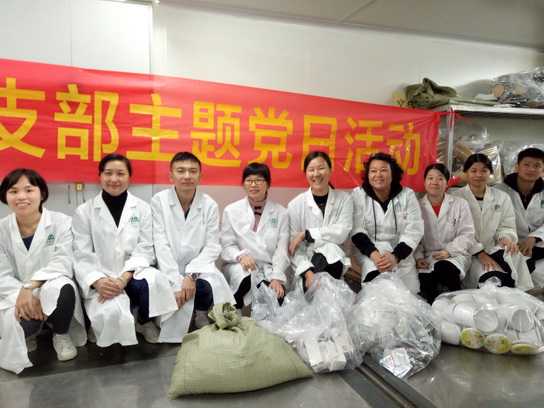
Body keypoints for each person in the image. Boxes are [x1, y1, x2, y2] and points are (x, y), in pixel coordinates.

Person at [72, 154, 177, 347]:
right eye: (108, 173)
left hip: (132, 272)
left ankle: (143, 321)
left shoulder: (143, 209)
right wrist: (98, 281)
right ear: (100, 176)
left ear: (129, 177)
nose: (114, 179)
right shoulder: (84, 212)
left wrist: (123, 278)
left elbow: (145, 248)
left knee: (154, 281)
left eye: (120, 173)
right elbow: (81, 254)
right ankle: (99, 323)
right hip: (102, 275)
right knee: (108, 315)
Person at [0, 169, 85, 374]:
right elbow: (1, 273)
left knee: (64, 286)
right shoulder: (1, 229)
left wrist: (31, 286)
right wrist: (23, 293)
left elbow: (63, 261)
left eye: (29, 190)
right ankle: (30, 334)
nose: (21, 197)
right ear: (5, 196)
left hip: (49, 286)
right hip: (13, 293)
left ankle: (61, 334)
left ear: (42, 194)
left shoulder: (61, 222)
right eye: (13, 191)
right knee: (20, 328)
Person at [151, 152, 234, 342]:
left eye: (193, 171)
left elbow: (212, 245)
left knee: (210, 283)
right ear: (171, 176)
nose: (187, 176)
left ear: (200, 176)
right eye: (181, 171)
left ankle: (201, 311)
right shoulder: (159, 201)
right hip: (167, 265)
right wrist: (175, 281)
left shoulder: (209, 205)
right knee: (162, 292)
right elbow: (160, 242)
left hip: (198, 266)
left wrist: (192, 274)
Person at [451, 153, 532, 290]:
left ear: (490, 172)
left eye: (484, 170)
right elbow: (456, 232)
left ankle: (515, 297)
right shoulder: (456, 197)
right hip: (468, 252)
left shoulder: (501, 197)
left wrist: (505, 238)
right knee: (493, 280)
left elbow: (506, 224)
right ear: (465, 172)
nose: (479, 175)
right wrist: (479, 253)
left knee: (517, 263)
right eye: (473, 171)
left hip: (493, 247)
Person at [350, 152, 424, 293]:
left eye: (384, 170)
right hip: (370, 253)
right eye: (373, 171)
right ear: (368, 175)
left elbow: (414, 230)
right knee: (378, 289)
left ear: (392, 174)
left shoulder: (407, 195)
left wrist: (395, 256)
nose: (378, 175)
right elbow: (356, 231)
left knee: (410, 294)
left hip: (401, 252)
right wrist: (376, 256)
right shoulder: (358, 195)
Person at [220, 163, 289, 313]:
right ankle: (234, 313)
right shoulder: (231, 210)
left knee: (277, 298)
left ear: (268, 183)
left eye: (259, 180)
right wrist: (241, 256)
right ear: (243, 183)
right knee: (244, 277)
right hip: (239, 265)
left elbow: (282, 250)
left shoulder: (281, 212)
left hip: (267, 269)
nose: (253, 185)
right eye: (249, 180)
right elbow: (227, 244)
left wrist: (276, 278)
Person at [288, 151, 353, 291]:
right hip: (307, 265)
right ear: (306, 173)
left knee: (331, 248)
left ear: (330, 170)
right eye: (311, 170)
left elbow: (341, 233)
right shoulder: (295, 205)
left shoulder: (344, 199)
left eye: (321, 168)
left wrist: (306, 234)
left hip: (334, 263)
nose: (316, 174)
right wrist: (307, 272)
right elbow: (295, 247)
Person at [414, 164, 476, 303]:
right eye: (430, 178)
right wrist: (418, 257)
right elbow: (413, 236)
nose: (434, 182)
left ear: (447, 183)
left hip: (455, 254)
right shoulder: (416, 206)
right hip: (428, 256)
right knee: (426, 282)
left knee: (444, 267)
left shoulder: (460, 204)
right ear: (424, 182)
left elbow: (467, 233)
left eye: (440, 178)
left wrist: (449, 251)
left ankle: (458, 303)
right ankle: (435, 308)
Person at [495, 147, 544, 287]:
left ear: (543, 169)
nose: (531, 169)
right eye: (526, 164)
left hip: (538, 244)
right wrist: (508, 239)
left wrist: (534, 238)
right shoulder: (498, 191)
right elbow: (494, 222)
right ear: (517, 166)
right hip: (508, 244)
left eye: (537, 166)